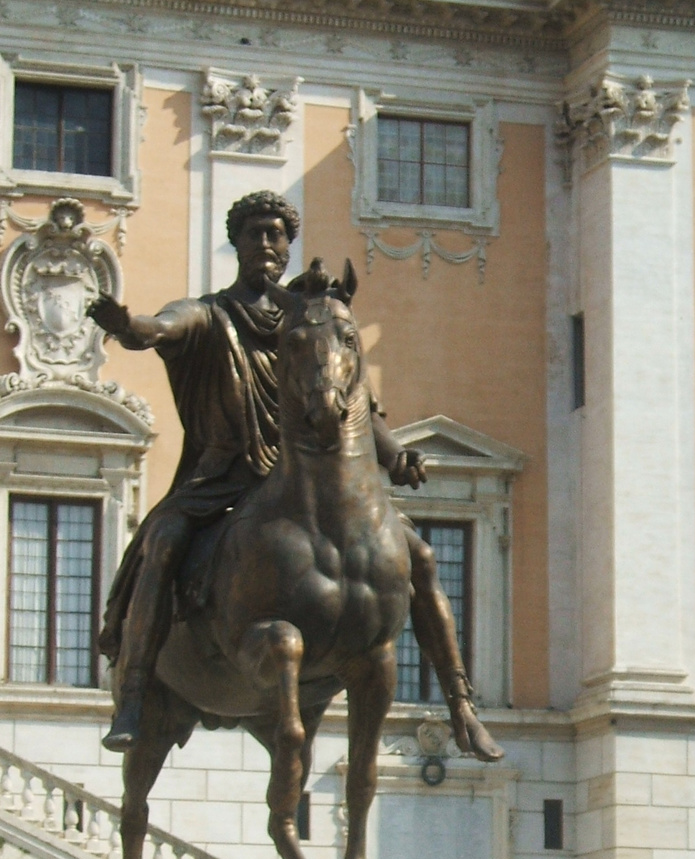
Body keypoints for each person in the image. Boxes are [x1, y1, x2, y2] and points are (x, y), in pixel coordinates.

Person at [88, 190, 502, 764]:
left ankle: (460, 701)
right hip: (225, 483)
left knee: (422, 557)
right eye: (255, 232)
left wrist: (395, 456)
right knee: (162, 542)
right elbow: (160, 328)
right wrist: (127, 325)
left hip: (309, 486)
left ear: (287, 248)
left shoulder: (317, 326)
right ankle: (133, 694)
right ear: (236, 242)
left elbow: (361, 403)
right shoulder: (211, 314)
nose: (266, 243)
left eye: (276, 234)